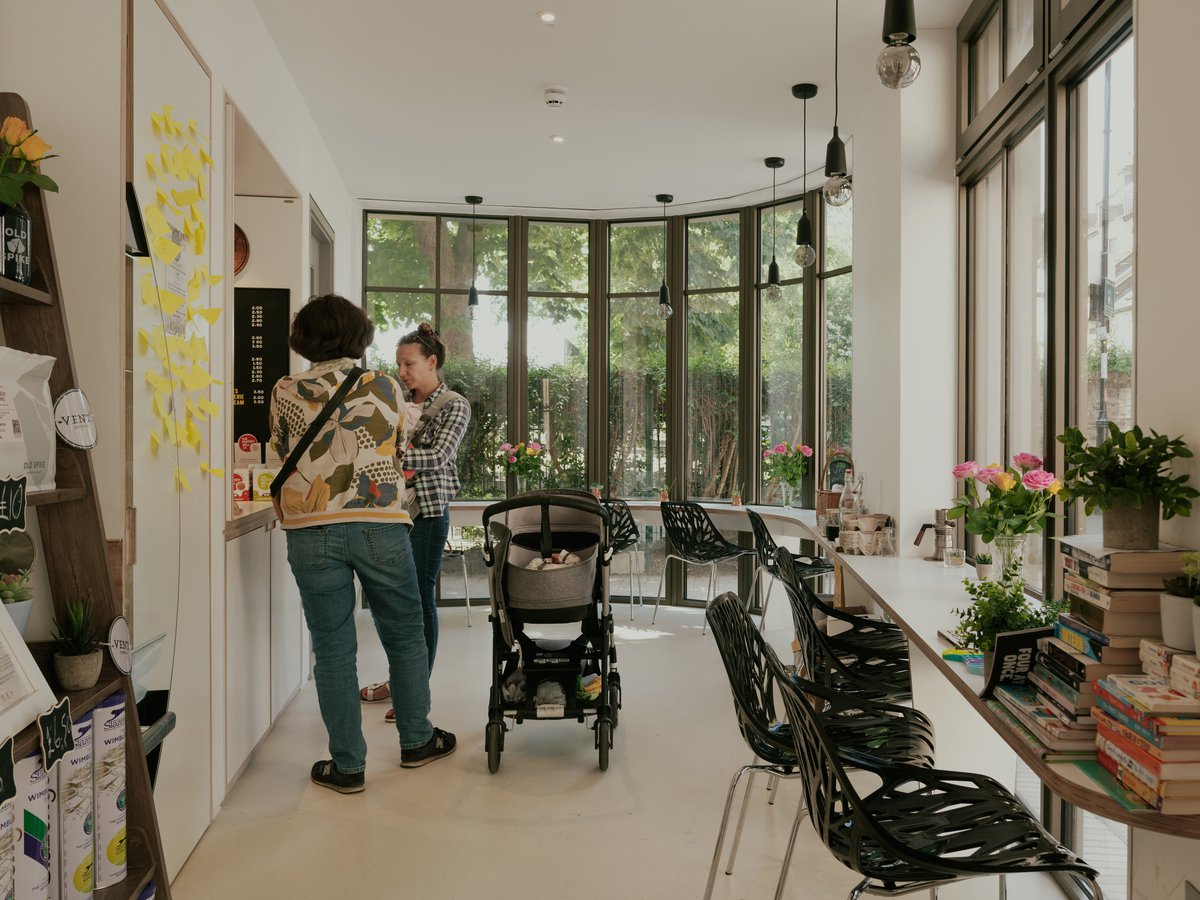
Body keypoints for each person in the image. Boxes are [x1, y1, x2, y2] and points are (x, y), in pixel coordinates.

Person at [270, 295, 455, 793]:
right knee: (405, 634)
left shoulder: (286, 388)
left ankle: (347, 766)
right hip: (379, 523)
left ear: (304, 339)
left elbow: (284, 450)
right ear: (359, 335)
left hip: (310, 527)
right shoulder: (384, 384)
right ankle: (417, 740)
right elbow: (398, 446)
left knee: (332, 650)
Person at [360, 323, 472, 722]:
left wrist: (385, 457)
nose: (402, 371)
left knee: (420, 599)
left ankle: (414, 690)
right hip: (391, 511)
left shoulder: (454, 404)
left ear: (432, 361)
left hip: (427, 512)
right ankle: (400, 678)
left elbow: (439, 456)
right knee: (389, 599)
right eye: (398, 365)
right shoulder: (396, 400)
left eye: (408, 364)